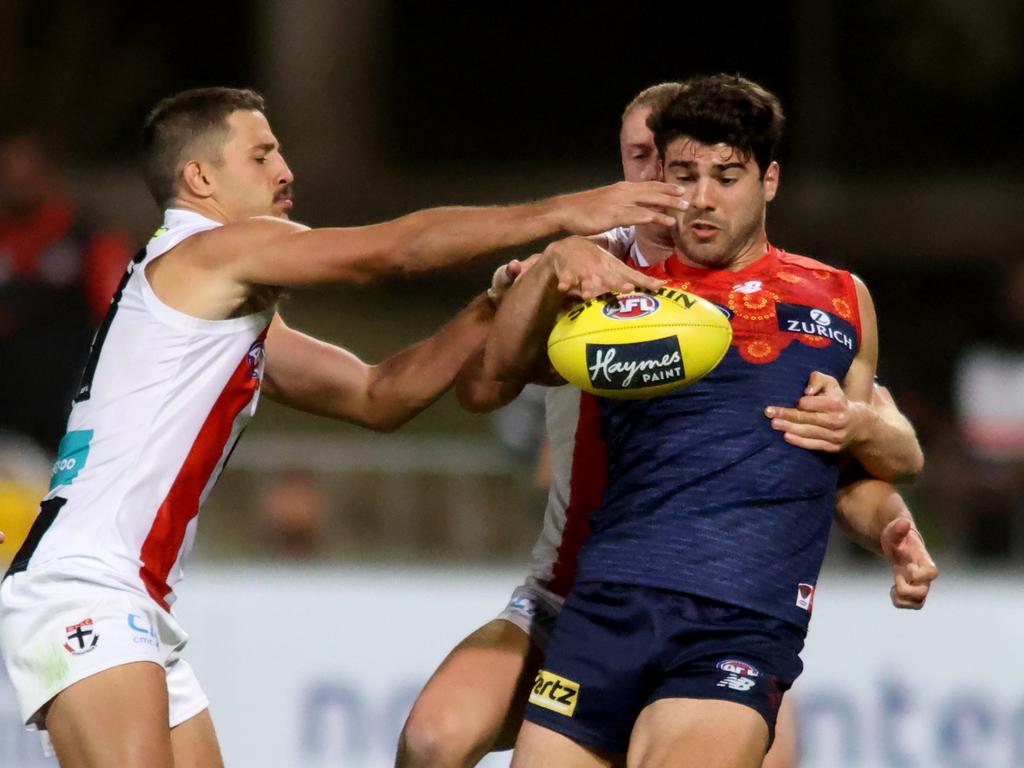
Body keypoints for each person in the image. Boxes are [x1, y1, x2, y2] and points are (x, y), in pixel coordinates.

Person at [0, 86, 685, 768]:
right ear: (199, 178)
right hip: (85, 590)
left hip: (134, 603)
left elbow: (377, 395)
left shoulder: (215, 307)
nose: (284, 171)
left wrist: (488, 307)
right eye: (261, 154)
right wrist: (562, 213)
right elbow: (392, 252)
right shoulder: (208, 253)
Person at [397, 82, 934, 768]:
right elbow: (486, 383)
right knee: (435, 740)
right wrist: (548, 268)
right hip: (603, 607)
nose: (701, 197)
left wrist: (888, 527)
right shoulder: (617, 291)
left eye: (726, 176)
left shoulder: (838, 299)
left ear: (769, 181)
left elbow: (848, 470)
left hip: (736, 622)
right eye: (683, 176)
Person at [0, 133, 134, 453]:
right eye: (9, 175)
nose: (17, 184)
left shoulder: (88, 238)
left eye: (26, 175)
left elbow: (122, 315)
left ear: (48, 175)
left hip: (66, 412)